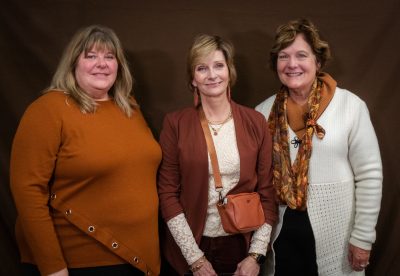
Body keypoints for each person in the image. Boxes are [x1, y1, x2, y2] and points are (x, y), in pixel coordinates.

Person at [10, 25, 161, 276]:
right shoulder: (48, 109)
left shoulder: (129, 108)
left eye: (109, 57)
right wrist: (52, 266)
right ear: (73, 64)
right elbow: (27, 191)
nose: (101, 64)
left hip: (139, 258)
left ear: (118, 66)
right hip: (80, 262)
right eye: (90, 56)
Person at [255, 18, 383, 275]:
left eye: (301, 55)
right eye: (283, 56)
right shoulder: (262, 113)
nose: (292, 64)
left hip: (337, 238)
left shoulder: (350, 106)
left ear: (318, 61)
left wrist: (363, 237)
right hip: (280, 240)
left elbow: (370, 175)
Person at [157, 34, 278, 276]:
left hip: (240, 246)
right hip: (190, 245)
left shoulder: (255, 122)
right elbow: (167, 194)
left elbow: (268, 192)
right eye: (202, 68)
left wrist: (256, 255)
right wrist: (195, 259)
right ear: (193, 78)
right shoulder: (175, 124)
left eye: (219, 66)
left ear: (229, 71)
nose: (212, 75)